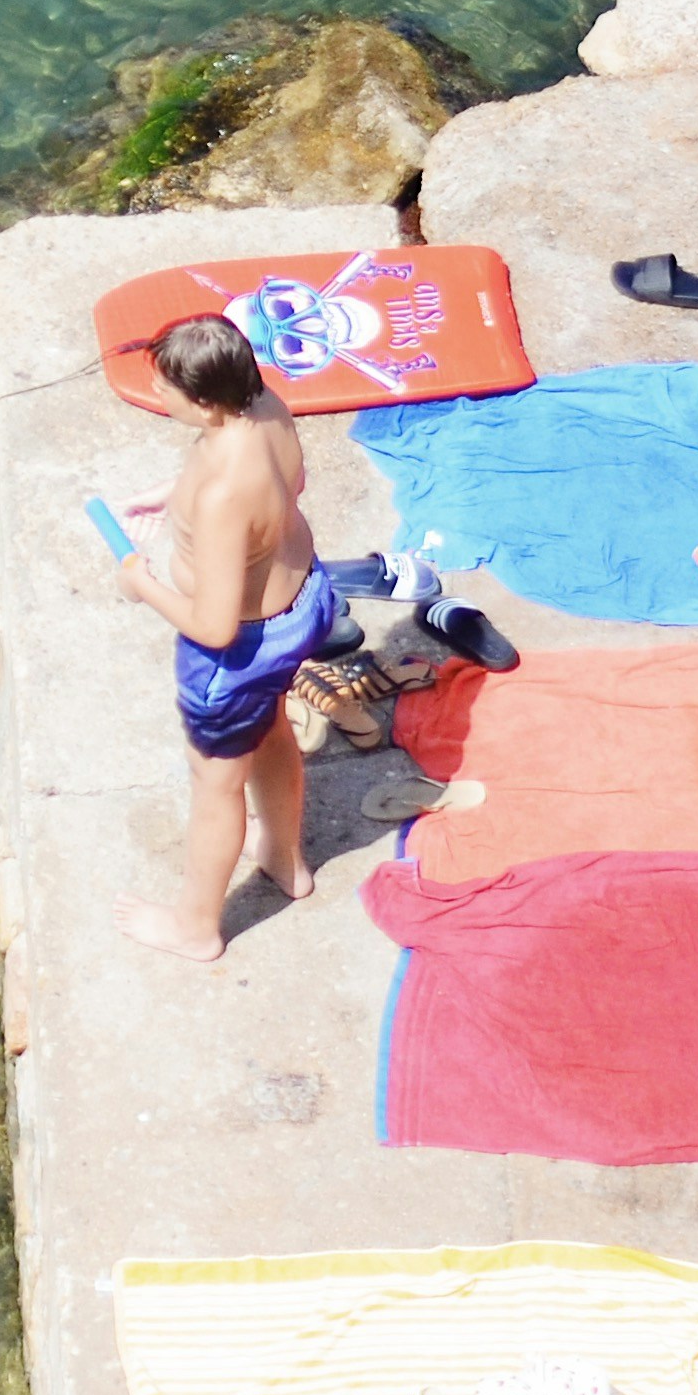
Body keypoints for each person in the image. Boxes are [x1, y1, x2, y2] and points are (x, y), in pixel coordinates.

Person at [96, 315, 449, 962]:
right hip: (304, 603)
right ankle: (286, 861)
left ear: (206, 403)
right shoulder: (265, 405)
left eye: (167, 389)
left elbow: (214, 625)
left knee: (216, 784)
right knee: (272, 729)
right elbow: (288, 486)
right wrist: (174, 499)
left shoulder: (222, 495)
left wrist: (141, 582)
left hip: (241, 649)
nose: (158, 395)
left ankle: (196, 926)